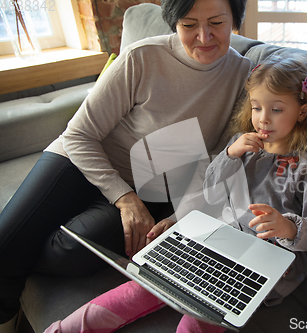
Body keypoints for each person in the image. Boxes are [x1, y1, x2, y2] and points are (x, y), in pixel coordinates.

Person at [0, 0, 252, 331]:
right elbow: (78, 135)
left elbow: (217, 162)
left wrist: (177, 217)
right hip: (80, 158)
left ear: (235, 19)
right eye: (189, 25)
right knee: (6, 243)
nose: (204, 37)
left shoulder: (244, 76)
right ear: (174, 23)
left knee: (70, 253)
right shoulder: (141, 57)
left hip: (148, 183)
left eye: (216, 23)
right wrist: (124, 198)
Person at [43, 55, 307, 333]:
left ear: (301, 111)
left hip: (264, 259)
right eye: (256, 107)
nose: (262, 119)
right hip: (216, 239)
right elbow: (210, 189)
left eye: (276, 109)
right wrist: (229, 155)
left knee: (197, 319)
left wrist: (289, 226)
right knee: (140, 285)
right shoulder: (241, 144)